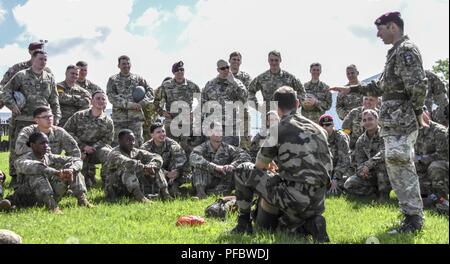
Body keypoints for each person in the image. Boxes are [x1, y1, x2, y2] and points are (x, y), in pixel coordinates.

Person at [330, 12, 428, 234]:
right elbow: (380, 86)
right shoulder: (394, 52)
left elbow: (418, 85)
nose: (377, 34)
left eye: (380, 29)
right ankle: (410, 216)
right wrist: (351, 89)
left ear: (392, 27)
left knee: (401, 163)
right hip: (393, 122)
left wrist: (418, 112)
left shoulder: (406, 50)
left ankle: (414, 219)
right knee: (396, 163)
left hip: (402, 121)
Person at [231, 86, 332, 243]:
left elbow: (258, 166)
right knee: (284, 228)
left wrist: (268, 163)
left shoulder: (277, 129)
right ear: (298, 103)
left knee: (242, 169)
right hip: (318, 201)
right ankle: (310, 224)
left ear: (276, 107)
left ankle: (243, 223)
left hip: (294, 198)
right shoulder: (320, 129)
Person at [0, 50, 61, 188]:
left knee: (44, 148)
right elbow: (5, 91)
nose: (43, 62)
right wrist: (12, 105)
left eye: (45, 59)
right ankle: (16, 177)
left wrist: (56, 117)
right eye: (40, 59)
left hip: (43, 120)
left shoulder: (49, 77)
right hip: (23, 119)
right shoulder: (21, 75)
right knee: (19, 148)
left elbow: (54, 99)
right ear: (33, 59)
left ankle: (45, 174)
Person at [7, 132, 92, 213]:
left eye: (47, 143)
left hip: (50, 194)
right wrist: (56, 172)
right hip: (28, 197)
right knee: (37, 175)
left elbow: (76, 160)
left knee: (72, 170)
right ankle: (53, 207)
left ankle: (82, 200)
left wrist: (71, 169)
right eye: (42, 143)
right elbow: (37, 167)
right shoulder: (22, 160)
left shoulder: (49, 156)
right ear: (32, 145)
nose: (46, 146)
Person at [104, 129, 171, 202]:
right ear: (120, 142)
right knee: (128, 169)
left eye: (133, 140)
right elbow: (129, 163)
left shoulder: (135, 151)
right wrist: (145, 168)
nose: (132, 143)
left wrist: (152, 165)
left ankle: (165, 194)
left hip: (131, 186)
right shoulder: (114, 153)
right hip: (116, 187)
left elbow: (157, 157)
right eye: (128, 140)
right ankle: (140, 198)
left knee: (156, 168)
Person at [63, 90, 113, 187]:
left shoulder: (108, 121)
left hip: (96, 150)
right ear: (91, 101)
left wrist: (92, 148)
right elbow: (67, 132)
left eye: (103, 99)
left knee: (108, 153)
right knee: (84, 183)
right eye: (97, 98)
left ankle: (107, 182)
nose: (100, 101)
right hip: (78, 149)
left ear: (106, 103)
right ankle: (78, 180)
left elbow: (107, 140)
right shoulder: (79, 116)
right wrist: (83, 147)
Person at [190, 123, 251, 199]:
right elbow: (193, 157)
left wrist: (232, 165)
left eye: (220, 131)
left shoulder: (227, 148)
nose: (219, 133)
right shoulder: (203, 147)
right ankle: (201, 194)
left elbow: (245, 156)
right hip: (207, 180)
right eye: (216, 131)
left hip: (223, 179)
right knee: (198, 167)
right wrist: (215, 167)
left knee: (242, 168)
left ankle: (221, 192)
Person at [153, 61, 201, 154]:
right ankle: (172, 167)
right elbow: (155, 102)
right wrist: (162, 112)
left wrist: (195, 112)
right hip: (171, 120)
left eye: (182, 70)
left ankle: (187, 167)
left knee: (187, 147)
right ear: (173, 72)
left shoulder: (192, 86)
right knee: (170, 147)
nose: (180, 72)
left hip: (186, 121)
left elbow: (202, 101)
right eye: (177, 70)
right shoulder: (166, 85)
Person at [344, 109, 391, 202]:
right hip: (370, 173)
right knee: (348, 185)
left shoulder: (385, 134)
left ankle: (384, 195)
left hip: (388, 172)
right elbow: (359, 161)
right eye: (364, 120)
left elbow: (385, 152)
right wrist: (362, 171)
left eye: (370, 119)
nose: (367, 122)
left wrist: (368, 165)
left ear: (377, 120)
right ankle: (373, 192)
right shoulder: (361, 140)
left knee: (382, 166)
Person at [106, 55, 154, 147]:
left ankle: (137, 161)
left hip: (135, 118)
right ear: (118, 66)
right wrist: (128, 105)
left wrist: (142, 103)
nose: (126, 66)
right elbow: (111, 96)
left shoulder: (138, 79)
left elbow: (150, 92)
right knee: (117, 144)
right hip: (119, 119)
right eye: (123, 64)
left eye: (128, 63)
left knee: (137, 143)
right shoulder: (113, 80)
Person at [201, 59, 248, 147]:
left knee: (233, 153)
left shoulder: (236, 83)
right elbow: (203, 103)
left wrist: (233, 82)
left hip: (231, 125)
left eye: (227, 67)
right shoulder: (210, 84)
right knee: (213, 152)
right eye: (223, 68)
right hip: (214, 125)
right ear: (218, 70)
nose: (226, 70)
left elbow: (244, 98)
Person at [141, 122, 189, 197]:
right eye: (158, 132)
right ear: (152, 135)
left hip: (173, 175)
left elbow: (182, 160)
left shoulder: (173, 144)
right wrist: (166, 173)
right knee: (149, 170)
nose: (162, 134)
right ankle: (165, 190)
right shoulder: (145, 148)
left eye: (163, 131)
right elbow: (145, 165)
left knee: (183, 169)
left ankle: (173, 187)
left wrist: (176, 172)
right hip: (156, 174)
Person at [15, 106, 80, 158]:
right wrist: (39, 150)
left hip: (53, 165)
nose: (49, 119)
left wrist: (72, 165)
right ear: (36, 120)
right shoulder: (28, 131)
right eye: (45, 117)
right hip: (33, 164)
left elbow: (74, 150)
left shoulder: (59, 132)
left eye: (51, 116)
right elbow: (19, 148)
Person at [414, 106, 449, 200]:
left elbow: (442, 156)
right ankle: (428, 198)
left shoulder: (439, 131)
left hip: (439, 168)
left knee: (435, 166)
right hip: (420, 168)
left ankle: (442, 199)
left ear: (427, 114)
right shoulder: (413, 131)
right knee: (423, 198)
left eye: (422, 113)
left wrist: (421, 159)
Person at [319, 114, 351, 196]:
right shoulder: (318, 137)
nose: (324, 127)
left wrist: (335, 178)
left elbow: (345, 160)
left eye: (328, 125)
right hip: (325, 172)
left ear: (333, 125)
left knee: (335, 191)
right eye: (322, 125)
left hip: (340, 172)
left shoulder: (341, 137)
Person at [229, 51, 253, 150]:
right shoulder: (223, 76)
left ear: (241, 62)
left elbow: (246, 94)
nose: (236, 61)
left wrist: (233, 81)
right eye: (234, 59)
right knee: (229, 142)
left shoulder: (245, 77)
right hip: (228, 113)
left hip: (243, 114)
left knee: (246, 142)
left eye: (238, 60)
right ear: (229, 61)